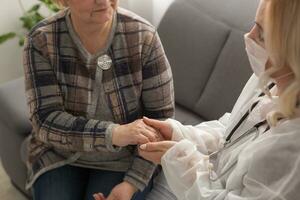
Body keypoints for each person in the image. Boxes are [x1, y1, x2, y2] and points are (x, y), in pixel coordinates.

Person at [138, 0, 300, 199]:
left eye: (263, 34)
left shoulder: (293, 147)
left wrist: (183, 163)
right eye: (255, 24)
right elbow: (233, 132)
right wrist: (181, 134)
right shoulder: (270, 78)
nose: (249, 36)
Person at [23, 0, 174, 199]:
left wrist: (131, 184)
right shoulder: (41, 40)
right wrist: (113, 133)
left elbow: (160, 120)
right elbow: (44, 120)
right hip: (60, 155)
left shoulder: (142, 36)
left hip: (124, 159)